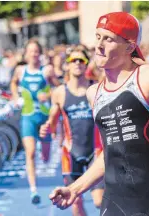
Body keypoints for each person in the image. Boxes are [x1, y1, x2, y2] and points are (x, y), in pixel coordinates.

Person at [49, 12, 149, 216]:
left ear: (130, 46)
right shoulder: (94, 93)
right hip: (114, 203)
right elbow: (111, 153)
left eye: (108, 39)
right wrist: (75, 189)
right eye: (98, 36)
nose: (99, 45)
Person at [39, 47, 104, 216]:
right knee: (75, 202)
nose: (77, 63)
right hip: (71, 153)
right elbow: (52, 122)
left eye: (81, 60)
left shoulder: (95, 89)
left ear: (86, 65)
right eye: (73, 60)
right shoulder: (60, 92)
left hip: (95, 152)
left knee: (99, 201)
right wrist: (47, 128)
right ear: (66, 65)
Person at [10, 39, 60, 204]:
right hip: (28, 117)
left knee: (45, 157)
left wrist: (49, 94)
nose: (33, 54)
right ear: (26, 53)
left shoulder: (46, 71)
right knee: (30, 153)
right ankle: (33, 190)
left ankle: (44, 153)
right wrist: (16, 97)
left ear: (40, 53)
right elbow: (13, 83)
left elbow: (59, 88)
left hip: (44, 119)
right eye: (30, 51)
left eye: (36, 51)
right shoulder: (20, 70)